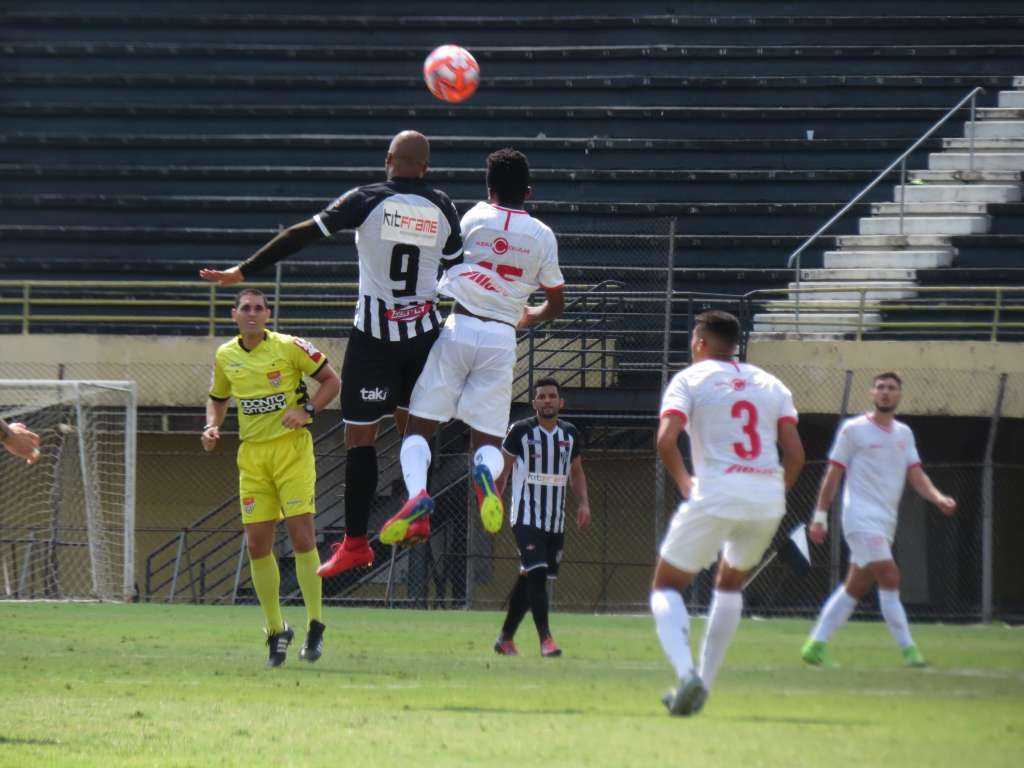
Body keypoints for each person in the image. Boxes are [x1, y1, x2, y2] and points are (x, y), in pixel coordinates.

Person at [198, 130, 463, 578]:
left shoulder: (365, 198)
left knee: (360, 438)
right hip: (423, 335)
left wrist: (245, 270)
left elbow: (302, 234)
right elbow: (458, 269)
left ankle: (356, 543)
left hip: (374, 339)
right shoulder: (444, 205)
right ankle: (418, 504)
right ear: (426, 167)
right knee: (413, 431)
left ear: (388, 160)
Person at [384, 148, 565, 548]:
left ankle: (417, 495)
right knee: (487, 441)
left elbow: (443, 262)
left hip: (460, 325)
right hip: (502, 338)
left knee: (418, 427)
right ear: (529, 192)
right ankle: (485, 477)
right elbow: (556, 301)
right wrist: (530, 315)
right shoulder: (542, 235)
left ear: (488, 188)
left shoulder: (472, 218)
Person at [650, 310, 804, 716]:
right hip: (767, 498)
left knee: (666, 585)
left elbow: (666, 440)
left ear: (700, 342)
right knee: (730, 584)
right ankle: (705, 682)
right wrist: (771, 490)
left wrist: (685, 482)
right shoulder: (772, 384)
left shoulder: (689, 379)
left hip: (716, 491)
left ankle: (687, 676)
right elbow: (796, 454)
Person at [204, 288, 341, 667]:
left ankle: (315, 623)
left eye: (258, 308)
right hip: (252, 456)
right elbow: (217, 397)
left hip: (291, 450)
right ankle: (275, 629)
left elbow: (332, 380)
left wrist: (307, 410)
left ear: (268, 314)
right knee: (257, 546)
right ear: (234, 315)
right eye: (244, 308)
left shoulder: (290, 346)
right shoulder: (225, 355)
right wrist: (211, 426)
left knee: (301, 535)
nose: (251, 313)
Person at [801, 372, 957, 668]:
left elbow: (916, 474)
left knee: (855, 586)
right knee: (889, 575)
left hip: (885, 520)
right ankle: (910, 651)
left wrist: (937, 497)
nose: (886, 392)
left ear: (899, 395)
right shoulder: (853, 429)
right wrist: (819, 517)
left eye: (892, 388)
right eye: (881, 387)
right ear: (872, 393)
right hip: (859, 517)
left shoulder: (904, 434)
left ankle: (815, 645)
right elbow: (832, 475)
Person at [493, 378, 590, 658]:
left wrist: (584, 503)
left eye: (551, 396)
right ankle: (546, 639)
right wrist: (493, 501)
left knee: (530, 577)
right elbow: (504, 469)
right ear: (534, 403)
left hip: (554, 521)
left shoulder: (570, 434)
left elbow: (577, 472)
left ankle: (505, 638)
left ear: (560, 402)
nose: (547, 400)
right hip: (525, 516)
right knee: (536, 574)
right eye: (541, 397)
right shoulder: (520, 431)